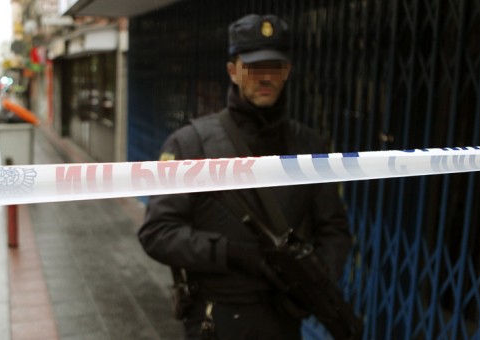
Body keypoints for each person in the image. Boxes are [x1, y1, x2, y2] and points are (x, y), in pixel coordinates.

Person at [138, 13, 353, 340]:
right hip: (216, 319)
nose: (265, 78)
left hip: (282, 320)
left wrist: (313, 281)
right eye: (254, 68)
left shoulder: (309, 145)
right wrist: (230, 252)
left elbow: (334, 229)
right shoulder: (190, 143)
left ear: (287, 72)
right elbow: (157, 232)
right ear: (233, 71)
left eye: (275, 68)